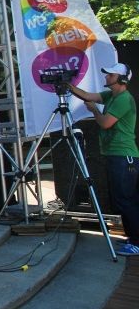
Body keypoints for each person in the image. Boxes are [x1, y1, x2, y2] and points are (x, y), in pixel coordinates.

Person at [68, 62, 139, 257]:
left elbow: (106, 123)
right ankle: (132, 237)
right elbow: (87, 95)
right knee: (122, 199)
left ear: (121, 79)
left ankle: (136, 242)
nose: (107, 77)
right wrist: (69, 86)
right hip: (117, 155)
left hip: (123, 156)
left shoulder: (124, 99)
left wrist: (94, 111)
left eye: (111, 75)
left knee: (126, 200)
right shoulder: (111, 95)